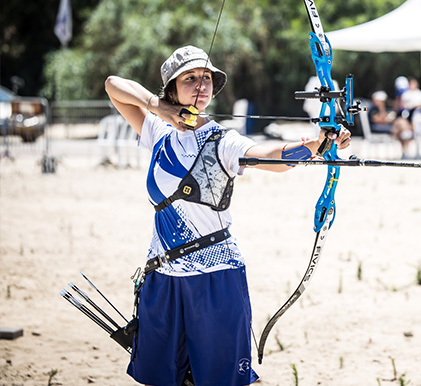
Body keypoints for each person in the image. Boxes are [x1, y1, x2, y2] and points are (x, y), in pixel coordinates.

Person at [104, 45, 351, 386]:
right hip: (161, 273)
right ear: (171, 88)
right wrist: (159, 108)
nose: (201, 85)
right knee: (161, 378)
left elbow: (269, 156)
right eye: (190, 78)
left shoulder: (223, 141)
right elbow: (114, 85)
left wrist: (319, 145)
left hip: (215, 279)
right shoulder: (158, 134)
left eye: (207, 78)